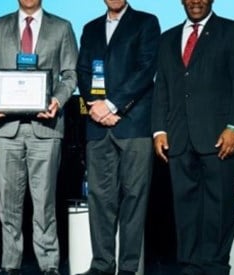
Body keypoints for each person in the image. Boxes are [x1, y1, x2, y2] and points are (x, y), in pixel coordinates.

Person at [0, 0, 78, 274]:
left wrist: (57, 99)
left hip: (45, 127)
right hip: (6, 128)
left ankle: (49, 264)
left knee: (45, 201)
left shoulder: (62, 27)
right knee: (8, 201)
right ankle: (10, 264)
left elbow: (69, 74)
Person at [152, 0, 234, 274]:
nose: (196, 1)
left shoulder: (233, 32)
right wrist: (159, 130)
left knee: (218, 211)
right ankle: (190, 267)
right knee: (186, 211)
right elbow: (162, 88)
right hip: (179, 140)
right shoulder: (168, 38)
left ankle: (215, 268)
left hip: (219, 139)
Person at [76, 1, 160, 275]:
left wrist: (113, 105)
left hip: (134, 124)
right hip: (98, 125)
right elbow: (83, 71)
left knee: (134, 197)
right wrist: (96, 107)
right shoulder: (90, 28)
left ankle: (128, 268)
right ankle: (101, 265)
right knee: (99, 198)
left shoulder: (146, 22)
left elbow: (146, 70)